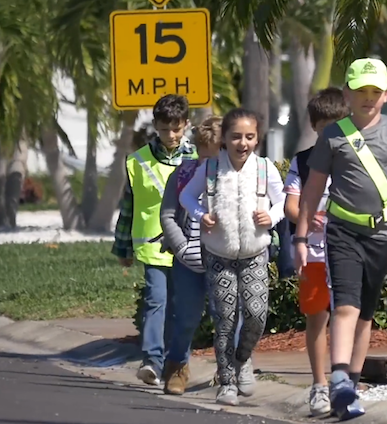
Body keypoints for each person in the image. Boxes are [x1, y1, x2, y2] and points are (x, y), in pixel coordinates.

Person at [292, 58, 387, 420]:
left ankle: (351, 382)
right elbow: (312, 189)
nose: (368, 98)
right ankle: (338, 380)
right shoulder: (333, 135)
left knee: (366, 313)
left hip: (382, 235)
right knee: (346, 305)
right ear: (348, 94)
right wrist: (301, 237)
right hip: (342, 232)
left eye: (374, 92)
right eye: (360, 91)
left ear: (385, 95)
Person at [179, 108, 286, 406]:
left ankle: (243, 359)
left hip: (254, 255)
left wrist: (272, 217)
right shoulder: (211, 169)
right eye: (236, 136)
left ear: (257, 139)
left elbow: (283, 201)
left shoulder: (265, 169)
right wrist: (201, 215)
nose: (242, 143)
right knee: (225, 319)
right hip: (218, 255)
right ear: (224, 139)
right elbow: (186, 196)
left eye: (249, 137)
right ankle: (226, 381)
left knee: (255, 314)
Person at [112, 94, 197, 386]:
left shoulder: (198, 160)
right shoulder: (137, 162)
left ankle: (177, 362)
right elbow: (128, 207)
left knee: (181, 305)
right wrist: (123, 247)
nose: (170, 135)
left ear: (186, 124)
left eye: (176, 128)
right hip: (150, 246)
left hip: (187, 246)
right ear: (155, 127)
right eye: (164, 129)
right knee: (155, 300)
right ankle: (152, 360)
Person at [283, 87, 350, 416]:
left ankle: (345, 382)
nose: (331, 132)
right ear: (314, 126)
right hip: (313, 255)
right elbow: (291, 208)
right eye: (325, 125)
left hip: (348, 252)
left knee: (347, 318)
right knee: (316, 320)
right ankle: (319, 385)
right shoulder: (303, 161)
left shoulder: (354, 159)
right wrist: (311, 219)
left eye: (337, 124)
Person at [159, 116, 223, 395]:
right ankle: (177, 366)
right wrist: (181, 247)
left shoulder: (238, 179)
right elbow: (168, 215)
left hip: (225, 258)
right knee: (186, 317)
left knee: (227, 315)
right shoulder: (183, 175)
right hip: (188, 259)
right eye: (204, 156)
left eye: (216, 156)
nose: (209, 164)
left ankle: (228, 369)